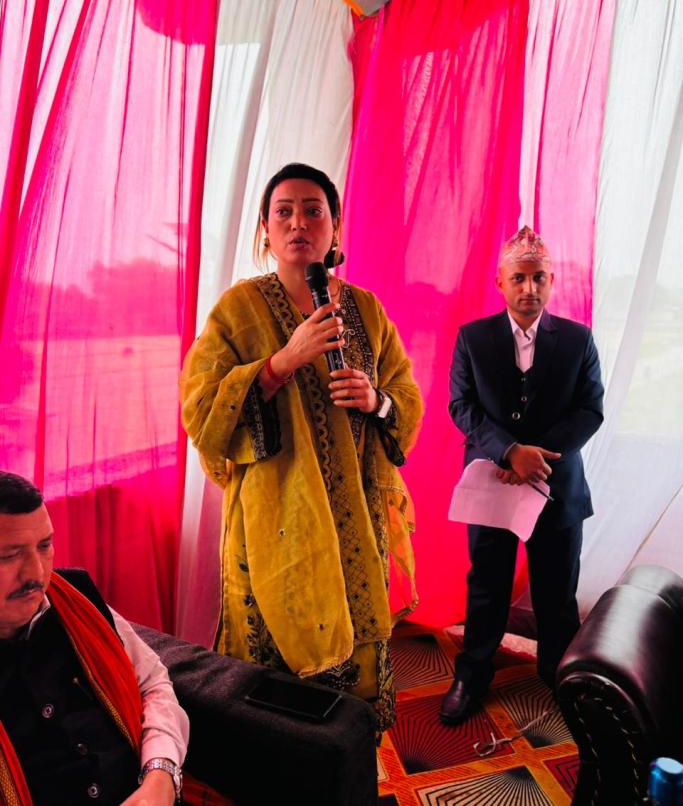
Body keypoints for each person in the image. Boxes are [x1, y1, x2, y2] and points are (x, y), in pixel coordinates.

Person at [181, 162, 423, 732]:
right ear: (265, 230)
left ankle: (345, 761)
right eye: (283, 212)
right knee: (274, 691)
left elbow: (407, 397)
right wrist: (280, 363)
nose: (298, 223)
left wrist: (376, 400)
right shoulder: (238, 310)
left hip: (355, 522)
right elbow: (200, 408)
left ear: (335, 227)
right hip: (276, 524)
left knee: (351, 680)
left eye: (314, 211)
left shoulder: (366, 310)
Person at [440, 226, 604, 725]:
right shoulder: (473, 338)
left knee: (557, 592)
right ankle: (473, 673)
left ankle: (558, 674)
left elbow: (590, 409)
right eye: (519, 278)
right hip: (492, 484)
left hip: (557, 486)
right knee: (486, 586)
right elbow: (461, 406)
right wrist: (510, 452)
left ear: (551, 281)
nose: (529, 288)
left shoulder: (577, 339)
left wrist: (539, 456)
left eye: (538, 278)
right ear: (501, 282)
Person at [0, 471, 189, 806]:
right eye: (8, 556)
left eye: (45, 546)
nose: (37, 574)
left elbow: (152, 683)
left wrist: (160, 775)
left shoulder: (77, 600)